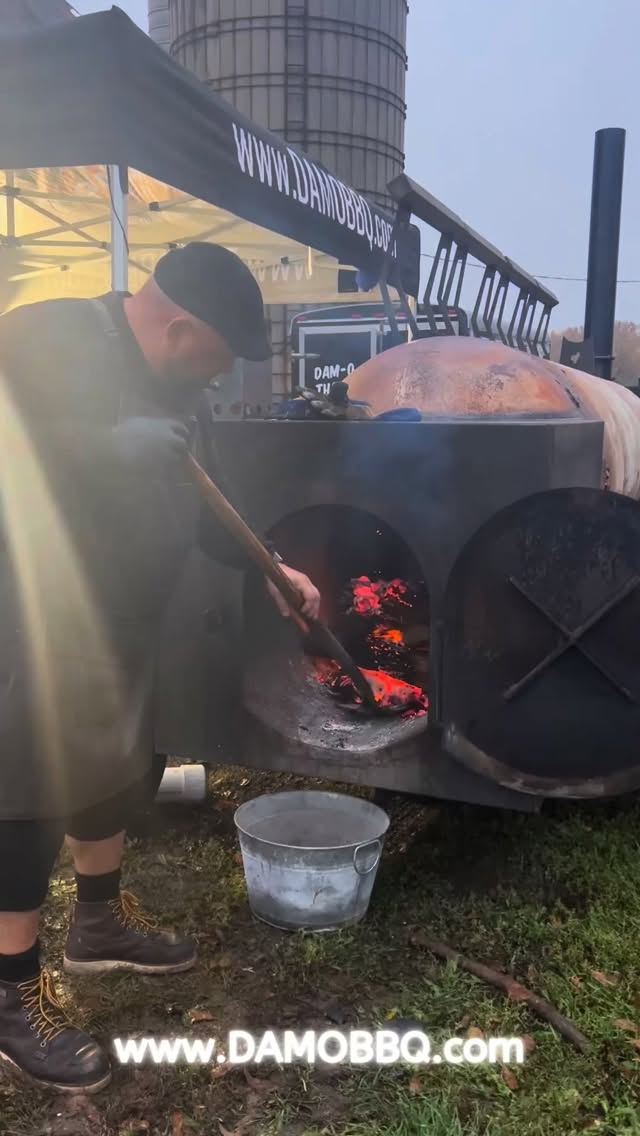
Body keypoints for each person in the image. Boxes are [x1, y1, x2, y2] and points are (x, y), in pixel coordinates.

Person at [0, 243, 320, 1093]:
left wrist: (271, 566)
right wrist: (103, 444)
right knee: (26, 796)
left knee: (117, 768)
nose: (220, 377)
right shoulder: (46, 335)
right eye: (217, 357)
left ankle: (98, 925)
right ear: (180, 330)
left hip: (120, 622)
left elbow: (210, 506)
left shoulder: (182, 391)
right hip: (26, 616)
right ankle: (8, 995)